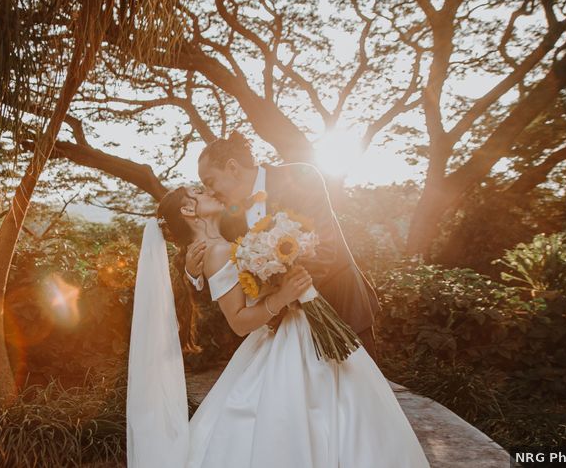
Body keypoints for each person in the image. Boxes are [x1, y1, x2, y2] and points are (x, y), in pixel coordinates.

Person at [126, 186, 430, 468]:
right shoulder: (215, 251)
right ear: (189, 212)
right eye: (200, 192)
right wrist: (282, 296)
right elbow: (238, 322)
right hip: (281, 334)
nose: (211, 191)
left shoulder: (222, 241)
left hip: (293, 326)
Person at [185, 131, 383, 360]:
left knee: (359, 391)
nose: (210, 192)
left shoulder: (301, 177)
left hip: (342, 306)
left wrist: (287, 294)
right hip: (287, 333)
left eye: (210, 182)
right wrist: (193, 272)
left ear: (232, 167)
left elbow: (325, 248)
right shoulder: (228, 218)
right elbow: (221, 268)